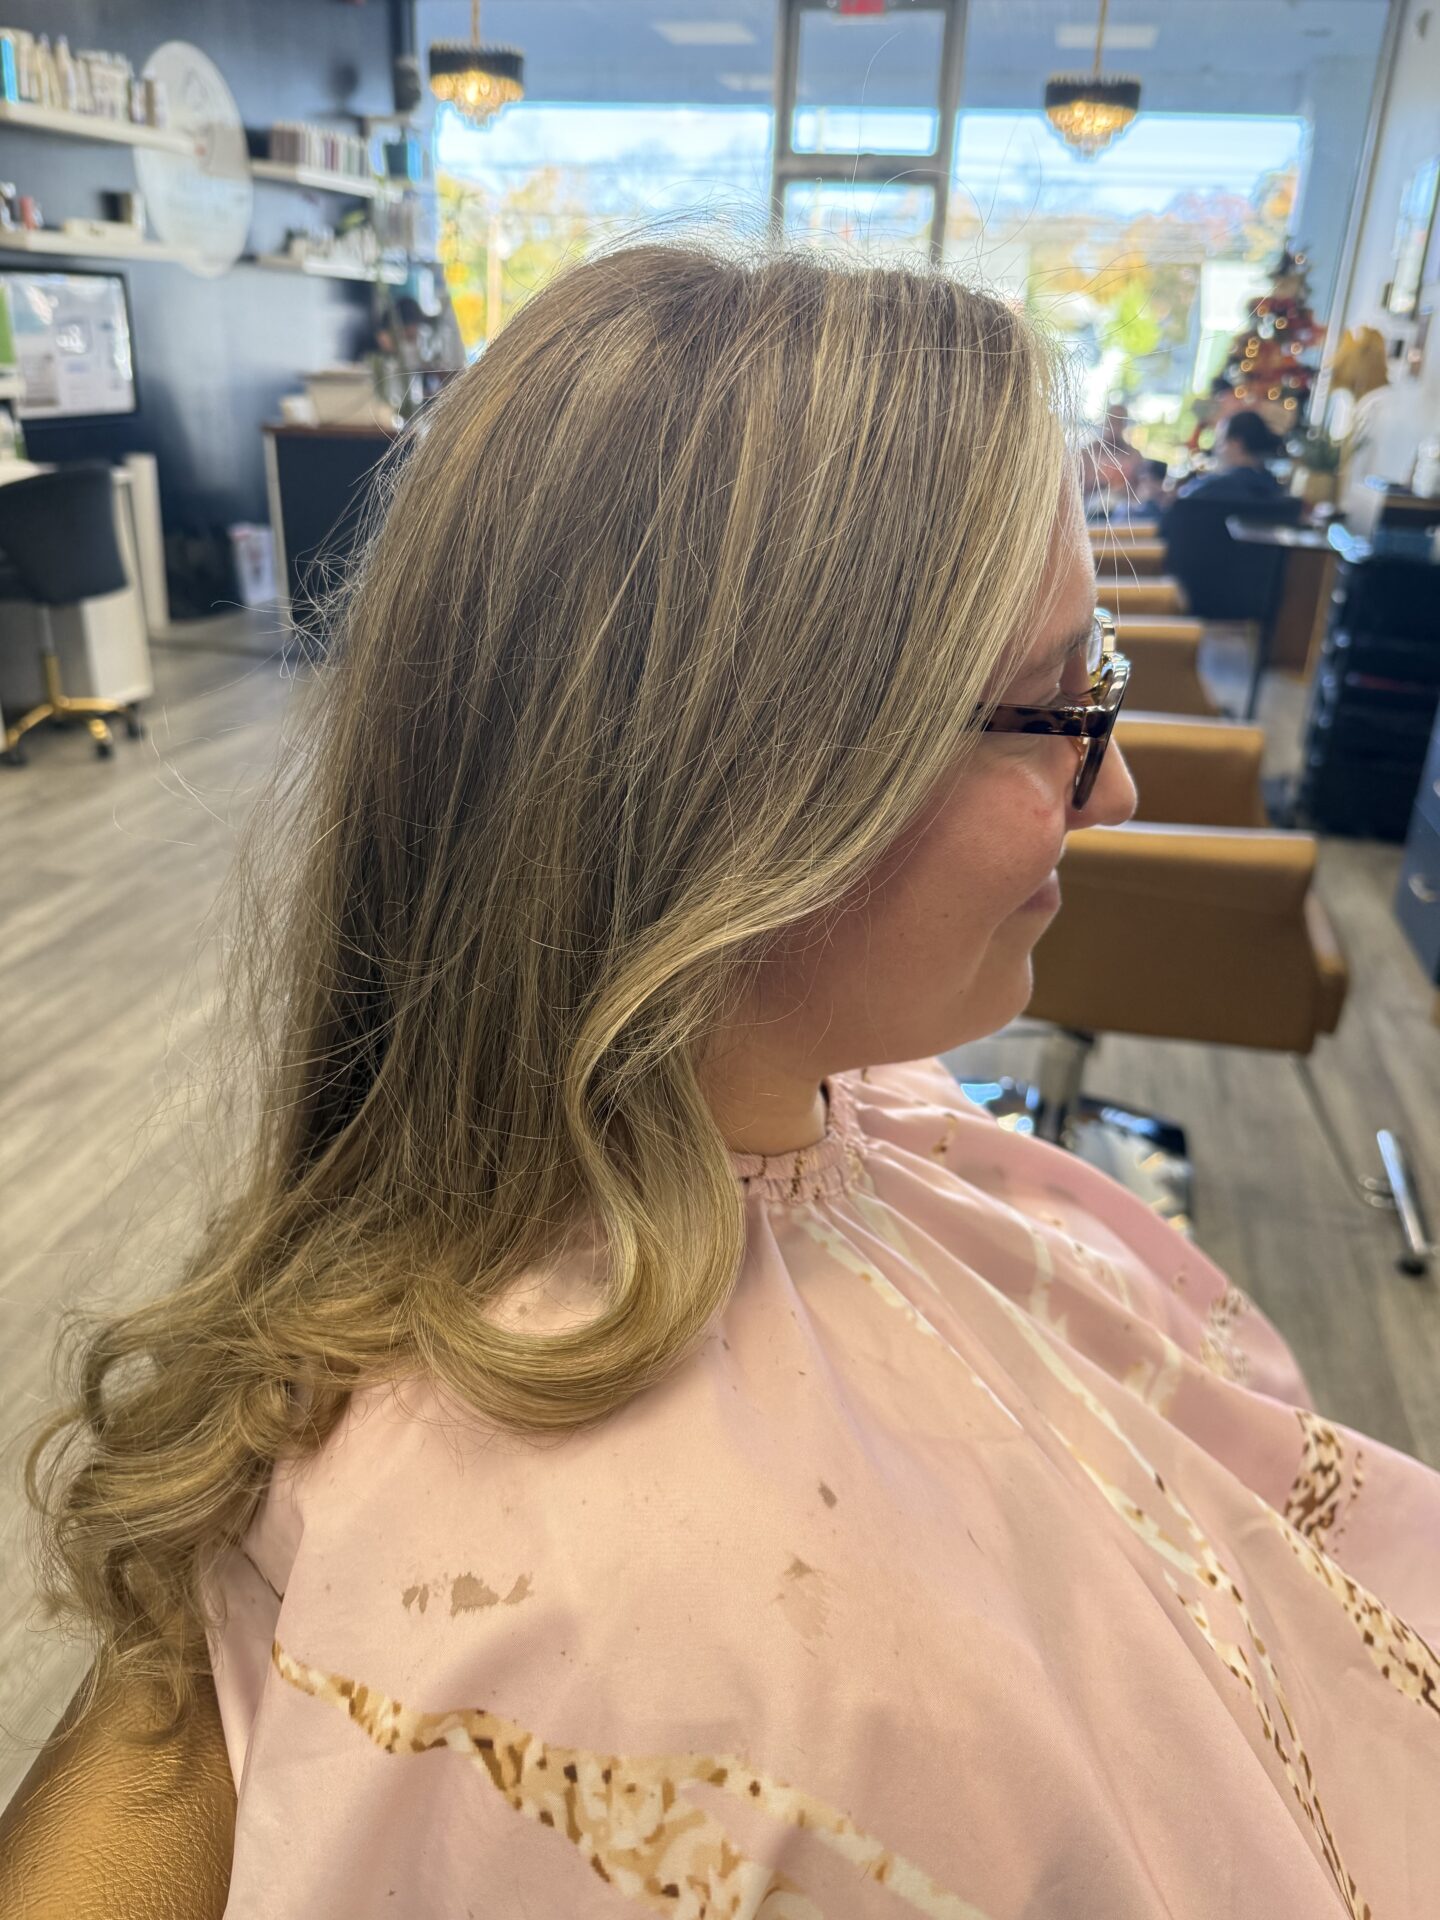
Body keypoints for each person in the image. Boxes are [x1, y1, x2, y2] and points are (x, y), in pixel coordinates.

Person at [26, 244, 1440, 1918]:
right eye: (1054, 708)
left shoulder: (877, 1113)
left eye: (1105, 684)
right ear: (753, 792)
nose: (1116, 785)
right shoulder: (622, 1631)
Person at [1165, 406, 1286, 512]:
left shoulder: (1213, 489)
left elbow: (1177, 509)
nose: (1216, 450)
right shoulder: (1276, 489)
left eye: (1220, 442)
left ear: (1236, 445)